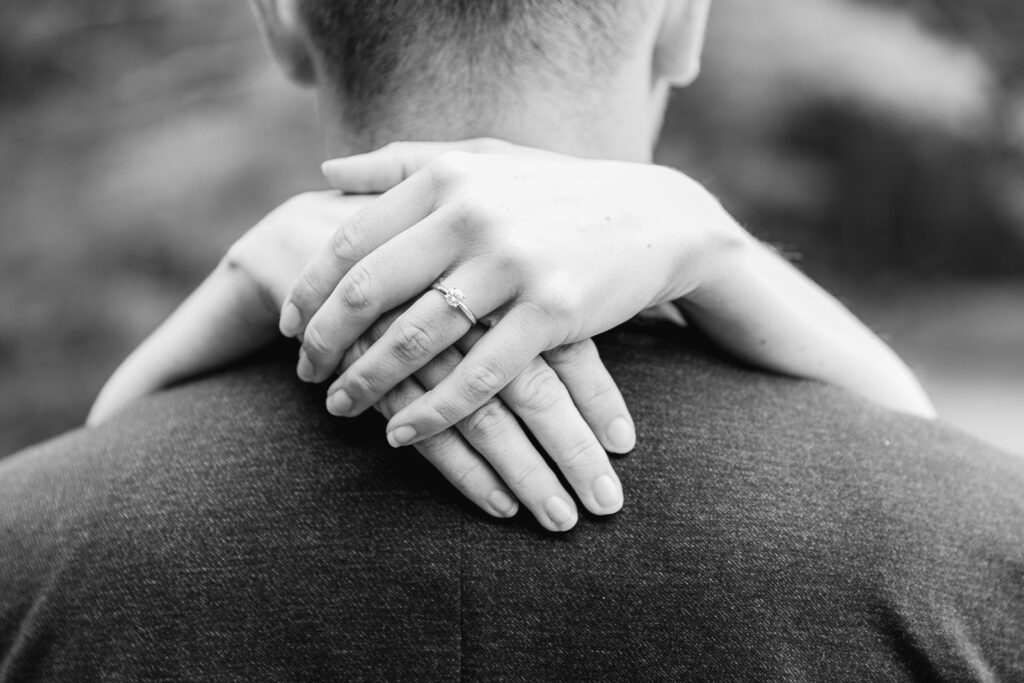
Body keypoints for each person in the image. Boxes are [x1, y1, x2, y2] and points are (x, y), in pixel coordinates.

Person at [1, 0, 1021, 679]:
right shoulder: (979, 545)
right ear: (682, 20)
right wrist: (721, 250)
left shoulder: (29, 545)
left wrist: (127, 407)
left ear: (281, 18)